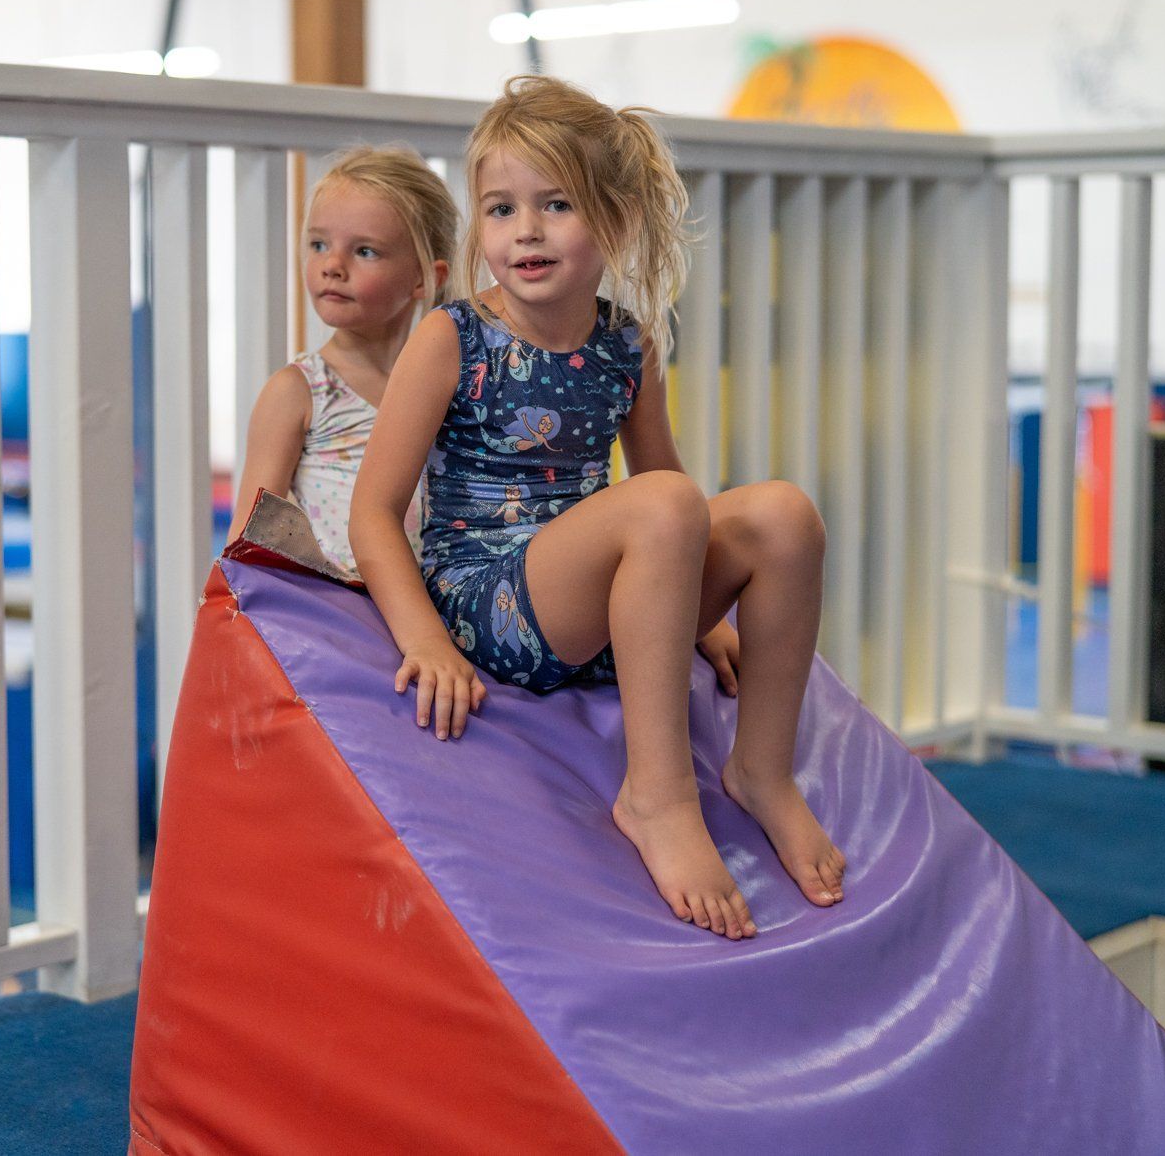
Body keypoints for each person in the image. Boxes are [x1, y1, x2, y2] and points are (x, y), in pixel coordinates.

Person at [351, 76, 844, 941]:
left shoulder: (625, 343)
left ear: (614, 223)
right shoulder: (453, 338)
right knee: (660, 504)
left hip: (601, 612)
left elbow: (672, 490)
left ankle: (763, 770)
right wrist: (425, 639)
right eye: (501, 209)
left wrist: (703, 619)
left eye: (557, 205)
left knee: (783, 514)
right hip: (491, 598)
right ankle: (656, 795)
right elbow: (374, 513)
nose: (525, 230)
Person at [228, 145, 457, 574]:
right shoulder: (300, 392)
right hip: (343, 622)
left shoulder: (455, 387)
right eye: (319, 244)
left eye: (365, 251)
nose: (332, 265)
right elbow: (248, 551)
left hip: (449, 615)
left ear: (425, 278)